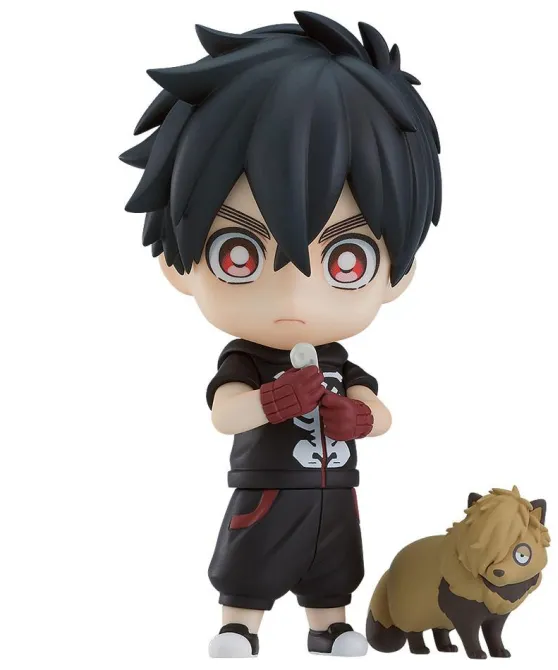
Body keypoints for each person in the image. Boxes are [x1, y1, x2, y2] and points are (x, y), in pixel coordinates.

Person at [121, 10, 441, 657]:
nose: (294, 296)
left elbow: (381, 413)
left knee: (334, 561)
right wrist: (270, 402)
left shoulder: (339, 360)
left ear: (398, 274)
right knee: (253, 555)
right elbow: (224, 415)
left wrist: (361, 417)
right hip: (267, 487)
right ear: (177, 265)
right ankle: (240, 622)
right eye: (238, 253)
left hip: (333, 493)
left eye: (346, 259)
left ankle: (329, 623)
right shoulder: (245, 357)